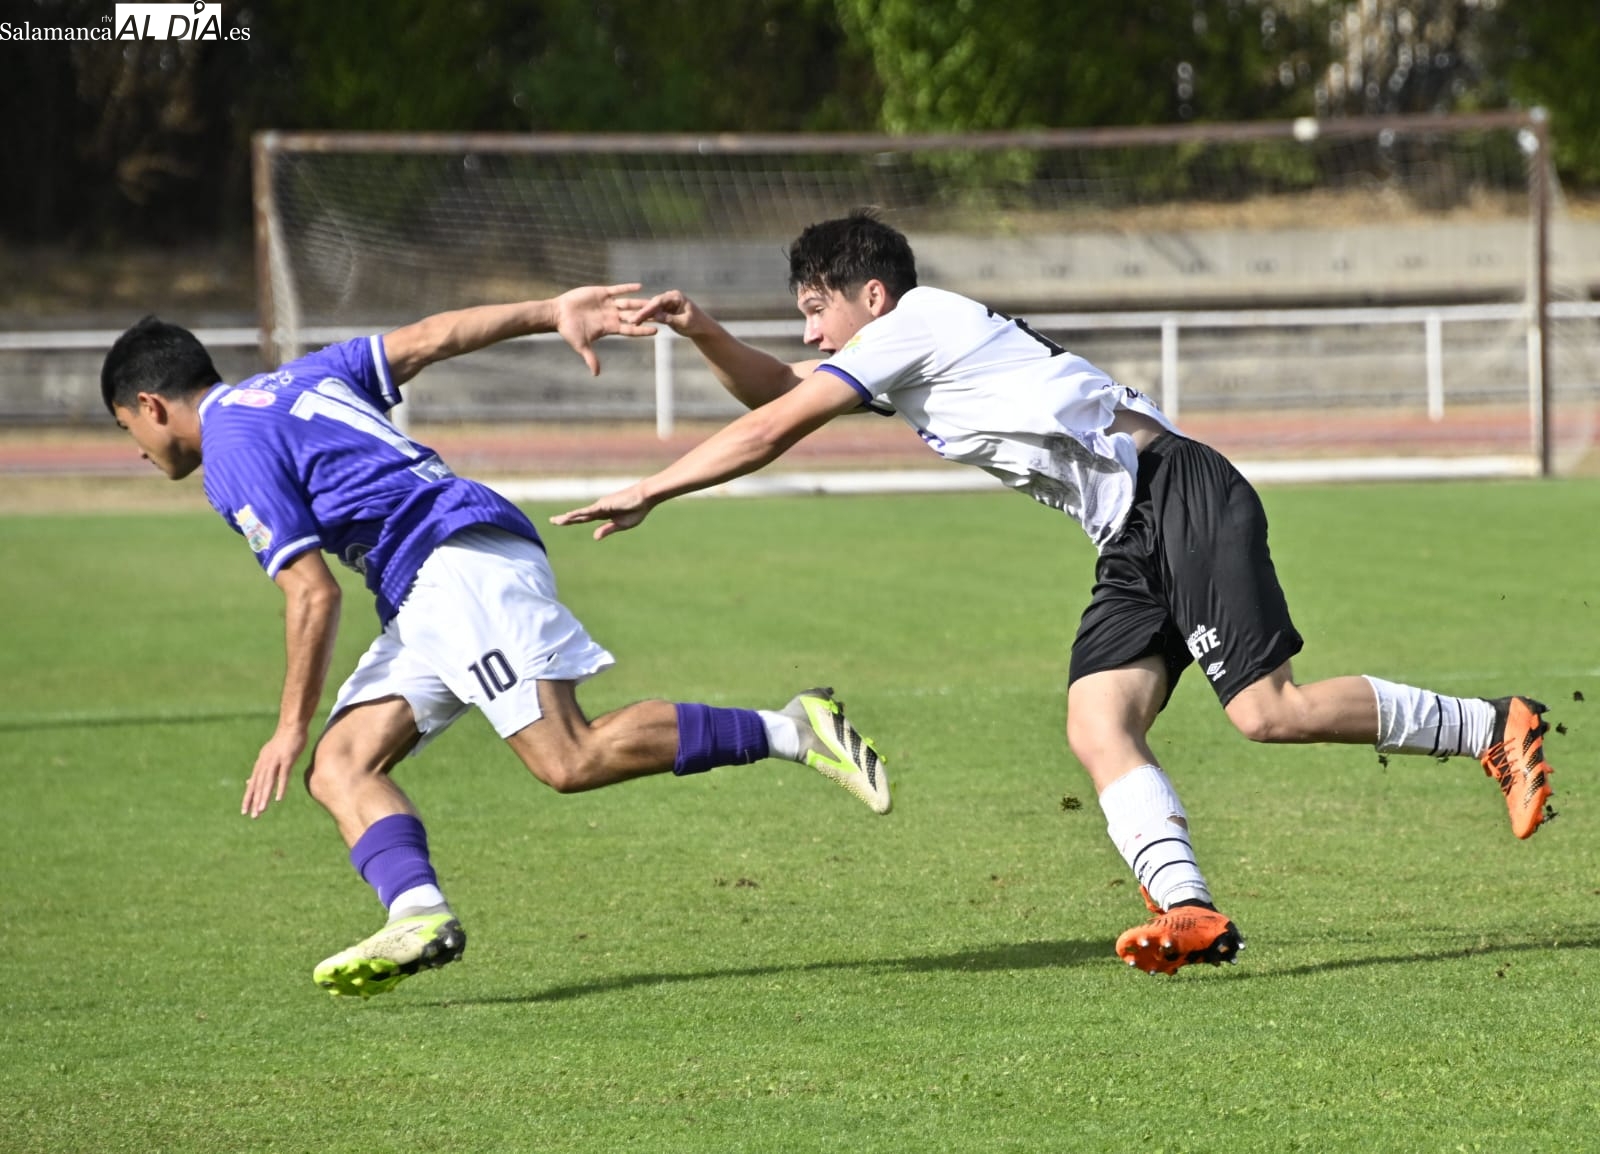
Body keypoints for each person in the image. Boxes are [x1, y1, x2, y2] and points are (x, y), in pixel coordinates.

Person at [552, 212, 1557, 975]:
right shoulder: (899, 347)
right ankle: (1189, 910)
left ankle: (1490, 724)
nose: (813, 336)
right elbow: (776, 392)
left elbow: (776, 426)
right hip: (1129, 531)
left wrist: (655, 484)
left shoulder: (918, 320)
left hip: (1177, 489)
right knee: (1096, 719)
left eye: (815, 310)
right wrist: (698, 327)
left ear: (867, 294)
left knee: (1267, 711)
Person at [100, 285, 891, 999]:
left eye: (126, 427)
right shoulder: (296, 380)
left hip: (453, 565)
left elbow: (312, 592)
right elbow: (433, 333)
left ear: (151, 404)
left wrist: (284, 726)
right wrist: (551, 312)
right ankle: (417, 914)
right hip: (426, 582)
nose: (136, 448)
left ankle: (793, 728)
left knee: (567, 757)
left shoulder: (229, 452)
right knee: (341, 767)